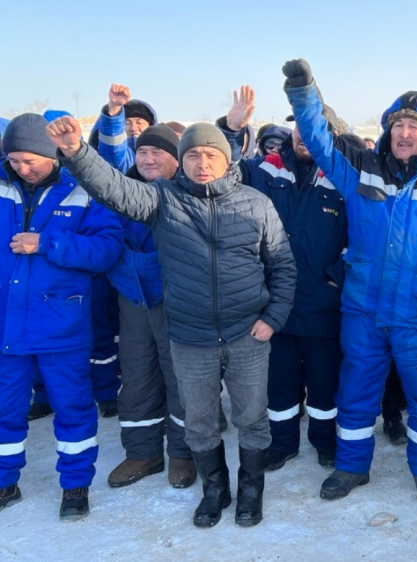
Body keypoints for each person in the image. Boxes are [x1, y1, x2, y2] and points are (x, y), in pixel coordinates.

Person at [47, 116, 297, 528]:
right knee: (199, 422)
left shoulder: (256, 203)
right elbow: (114, 189)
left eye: (211, 155)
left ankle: (251, 492)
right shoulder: (163, 199)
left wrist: (272, 318)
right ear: (181, 161)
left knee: (251, 418)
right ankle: (214, 490)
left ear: (227, 159)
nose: (202, 163)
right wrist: (76, 152)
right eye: (193, 154)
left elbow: (283, 265)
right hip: (189, 336)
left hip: (246, 334)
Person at [283, 58, 417, 508]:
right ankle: (352, 466)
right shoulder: (360, 170)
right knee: (354, 391)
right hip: (362, 311)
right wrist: (303, 92)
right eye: (398, 125)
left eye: (415, 126)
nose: (404, 133)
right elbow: (319, 136)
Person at [216, 85, 349, 472]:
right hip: (273, 303)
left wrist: (337, 277)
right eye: (298, 128)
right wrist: (231, 129)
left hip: (324, 302)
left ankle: (325, 441)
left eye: (314, 129)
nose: (303, 136)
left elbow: (364, 237)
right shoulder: (267, 168)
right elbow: (221, 174)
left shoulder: (345, 177)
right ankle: (283, 442)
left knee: (325, 383)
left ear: (331, 134)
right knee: (278, 382)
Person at [0, 113, 124, 520]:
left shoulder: (84, 189)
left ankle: (75, 485)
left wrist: (47, 243)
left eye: (30, 159)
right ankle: (5, 481)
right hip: (6, 326)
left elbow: (106, 250)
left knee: (72, 408)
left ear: (52, 153)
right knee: (5, 408)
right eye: (14, 160)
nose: (23, 168)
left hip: (60, 324)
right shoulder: (3, 188)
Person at [103, 124, 196, 489]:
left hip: (175, 299)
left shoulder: (187, 194)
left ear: (177, 159)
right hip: (132, 299)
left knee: (180, 380)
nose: (148, 159)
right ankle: (143, 453)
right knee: (137, 377)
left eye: (158, 152)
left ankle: (183, 453)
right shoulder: (121, 193)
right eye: (142, 152)